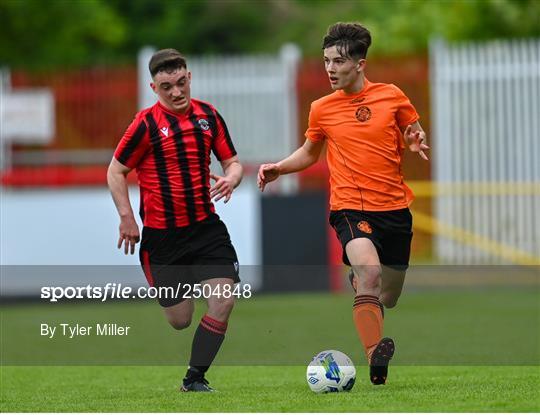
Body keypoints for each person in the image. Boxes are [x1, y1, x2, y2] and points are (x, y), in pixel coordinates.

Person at [257, 22, 429, 385]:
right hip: (350, 206)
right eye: (326, 61)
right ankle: (374, 358)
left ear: (360, 64)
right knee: (369, 272)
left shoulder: (392, 96)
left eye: (338, 61)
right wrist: (279, 169)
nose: (330, 69)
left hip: (395, 209)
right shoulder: (321, 109)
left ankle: (364, 290)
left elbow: (413, 129)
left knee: (390, 296)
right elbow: (308, 152)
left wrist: (415, 138)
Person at [107, 48, 243, 392]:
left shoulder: (208, 116)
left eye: (181, 83)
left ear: (189, 78)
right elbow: (116, 170)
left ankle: (194, 377)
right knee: (180, 320)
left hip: (206, 229)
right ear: (154, 88)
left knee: (224, 300)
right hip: (162, 238)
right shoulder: (145, 124)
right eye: (167, 86)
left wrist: (232, 177)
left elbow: (233, 162)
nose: (177, 92)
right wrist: (126, 217)